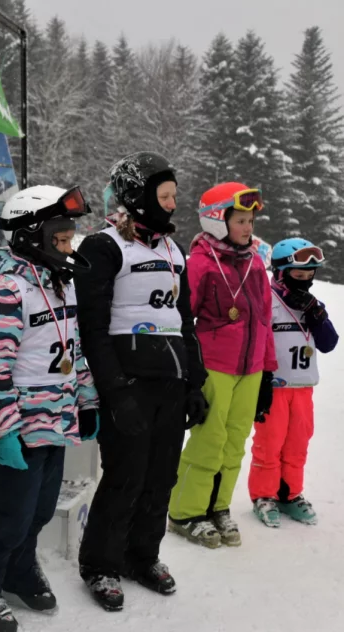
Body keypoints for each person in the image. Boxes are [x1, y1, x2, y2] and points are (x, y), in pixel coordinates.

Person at [0, 185, 99, 632]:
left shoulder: (61, 282)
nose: (69, 245)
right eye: (61, 237)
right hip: (17, 427)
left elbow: (74, 349)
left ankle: (17, 571)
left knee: (37, 512)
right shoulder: (5, 287)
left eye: (70, 236)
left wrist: (87, 401)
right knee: (8, 518)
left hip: (55, 423)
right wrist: (4, 431)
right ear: (34, 234)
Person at [74, 152, 207, 612]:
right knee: (125, 478)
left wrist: (195, 382)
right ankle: (100, 563)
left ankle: (140, 555)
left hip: (169, 383)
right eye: (163, 196)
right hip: (127, 384)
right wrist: (115, 392)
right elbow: (92, 328)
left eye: (173, 196)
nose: (172, 205)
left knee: (161, 478)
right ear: (137, 196)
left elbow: (183, 322)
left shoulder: (173, 251)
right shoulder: (103, 246)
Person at [168, 182, 276, 549]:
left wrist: (268, 372)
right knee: (210, 440)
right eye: (240, 220)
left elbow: (264, 320)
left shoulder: (256, 262)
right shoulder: (199, 263)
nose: (248, 227)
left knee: (234, 442)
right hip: (215, 365)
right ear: (216, 220)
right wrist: (190, 379)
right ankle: (185, 510)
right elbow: (183, 322)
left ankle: (218, 506)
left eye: (250, 220)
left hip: (251, 368)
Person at [248, 238, 337, 527]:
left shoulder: (311, 304)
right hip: (274, 386)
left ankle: (290, 494)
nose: (305, 281)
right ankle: (264, 495)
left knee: (298, 444)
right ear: (281, 272)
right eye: (298, 275)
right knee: (269, 443)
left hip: (303, 387)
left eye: (310, 276)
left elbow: (328, 344)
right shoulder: (268, 300)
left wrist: (317, 316)